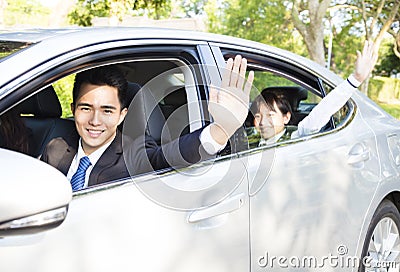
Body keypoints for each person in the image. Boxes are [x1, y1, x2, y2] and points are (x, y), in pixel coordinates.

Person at [41, 55, 254, 191]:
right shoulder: (56, 147)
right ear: (73, 110)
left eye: (107, 110)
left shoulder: (134, 153)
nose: (95, 121)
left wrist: (221, 129)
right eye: (86, 108)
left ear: (122, 115)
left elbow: (170, 156)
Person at [250, 41, 378, 145]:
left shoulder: (296, 138)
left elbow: (322, 111)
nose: (262, 122)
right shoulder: (251, 140)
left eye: (270, 115)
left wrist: (355, 79)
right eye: (257, 116)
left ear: (286, 117)